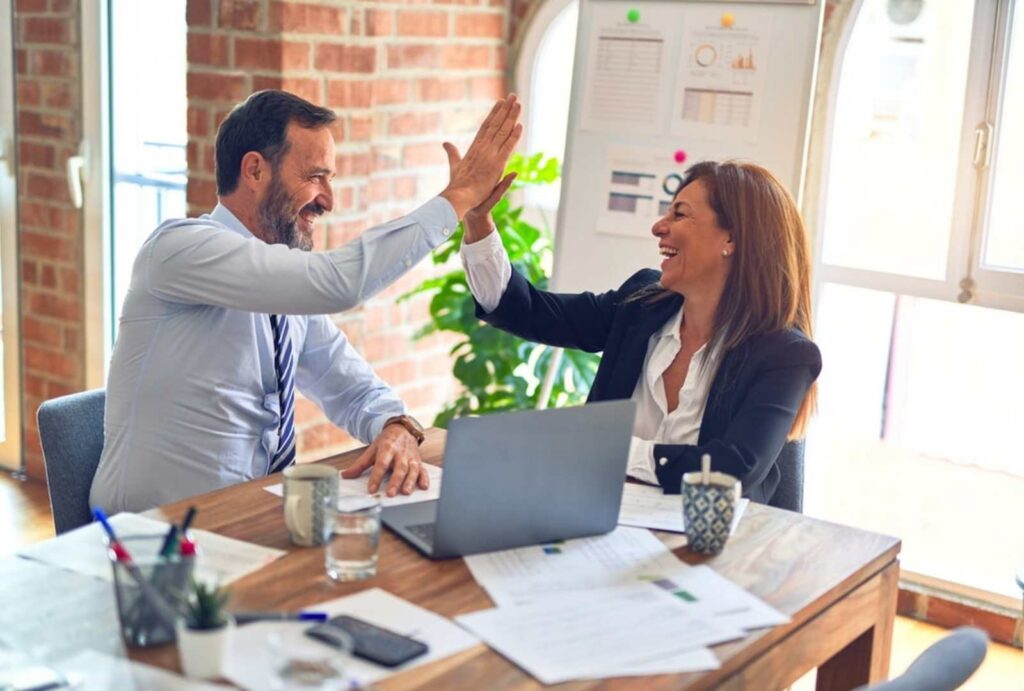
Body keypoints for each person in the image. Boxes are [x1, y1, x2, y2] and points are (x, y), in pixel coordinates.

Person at [90, 89, 521, 513]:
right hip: (150, 540)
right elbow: (339, 283)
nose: (328, 200)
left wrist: (396, 425)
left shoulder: (283, 291)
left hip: (249, 521)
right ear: (255, 171)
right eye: (315, 176)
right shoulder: (179, 250)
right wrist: (459, 197)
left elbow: (350, 386)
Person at [460, 160, 820, 504]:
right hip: (600, 520)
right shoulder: (641, 304)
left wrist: (609, 449)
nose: (659, 227)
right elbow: (528, 311)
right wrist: (478, 221)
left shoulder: (784, 355)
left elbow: (732, 471)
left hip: (713, 548)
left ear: (732, 240)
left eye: (679, 214)